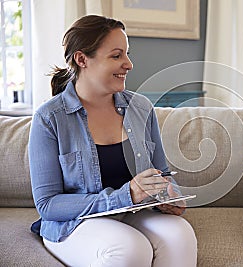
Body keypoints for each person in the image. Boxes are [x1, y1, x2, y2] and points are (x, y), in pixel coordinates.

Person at [28, 15, 197, 267]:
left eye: (127, 54)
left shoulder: (141, 108)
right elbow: (48, 205)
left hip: (131, 213)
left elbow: (161, 174)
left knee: (180, 234)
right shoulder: (50, 118)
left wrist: (169, 196)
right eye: (117, 56)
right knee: (129, 248)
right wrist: (125, 195)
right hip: (75, 223)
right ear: (82, 59)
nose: (128, 64)